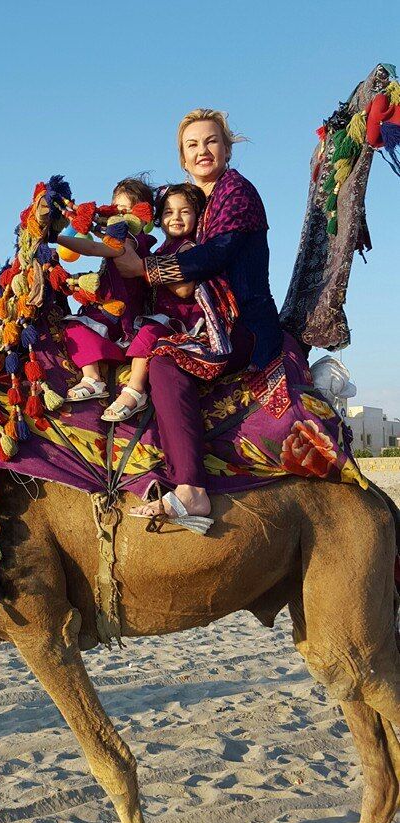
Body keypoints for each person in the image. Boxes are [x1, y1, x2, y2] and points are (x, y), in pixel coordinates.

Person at [115, 109, 283, 526]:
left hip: (245, 327)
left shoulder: (235, 193)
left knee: (165, 364)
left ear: (226, 149)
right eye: (193, 145)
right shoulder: (198, 205)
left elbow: (217, 254)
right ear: (183, 160)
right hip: (212, 322)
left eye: (211, 141)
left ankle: (190, 488)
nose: (202, 150)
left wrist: (147, 270)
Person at [101, 181, 230, 423]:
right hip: (160, 315)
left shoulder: (188, 248)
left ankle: (135, 390)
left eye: (185, 211)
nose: (176, 218)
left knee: (150, 331)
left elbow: (183, 290)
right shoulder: (161, 250)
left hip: (180, 320)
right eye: (169, 212)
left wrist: (145, 268)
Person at [60, 178, 156, 402]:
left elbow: (95, 248)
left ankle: (93, 378)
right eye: (118, 209)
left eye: (127, 211)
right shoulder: (116, 235)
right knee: (75, 324)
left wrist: (56, 238)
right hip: (109, 311)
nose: (121, 216)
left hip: (125, 316)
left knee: (73, 326)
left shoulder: (131, 240)